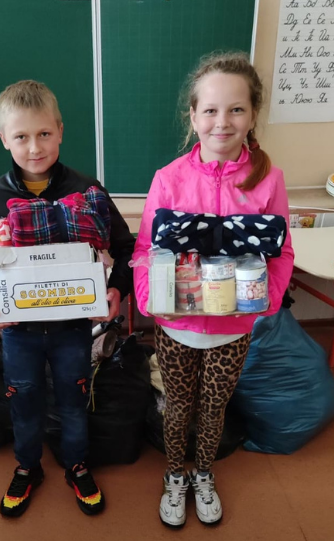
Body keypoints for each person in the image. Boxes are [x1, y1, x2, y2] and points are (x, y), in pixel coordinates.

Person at [131, 52, 294, 528]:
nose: (223, 121)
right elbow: (145, 248)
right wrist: (147, 299)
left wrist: (267, 299)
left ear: (252, 115)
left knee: (214, 405)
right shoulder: (169, 179)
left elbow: (281, 252)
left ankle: (204, 473)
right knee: (178, 405)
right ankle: (174, 475)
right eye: (211, 110)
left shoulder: (269, 179)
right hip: (177, 325)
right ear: (193, 116)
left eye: (236, 109)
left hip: (233, 327)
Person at [0, 80, 135, 518]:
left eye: (44, 134)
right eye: (21, 136)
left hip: (72, 328)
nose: (33, 147)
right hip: (20, 331)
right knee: (23, 397)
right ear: (4, 138)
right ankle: (28, 467)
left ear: (61, 131)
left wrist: (117, 287)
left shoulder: (87, 191)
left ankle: (77, 464)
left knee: (74, 395)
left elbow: (125, 248)